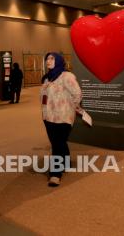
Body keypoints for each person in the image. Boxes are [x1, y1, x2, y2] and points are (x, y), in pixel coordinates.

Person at [40, 52, 82, 187]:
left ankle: (55, 174)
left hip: (63, 116)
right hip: (48, 116)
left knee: (57, 144)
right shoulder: (47, 78)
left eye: (51, 58)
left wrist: (72, 107)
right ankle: (66, 162)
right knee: (58, 143)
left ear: (58, 60)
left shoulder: (67, 76)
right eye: (47, 59)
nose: (48, 61)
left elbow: (77, 94)